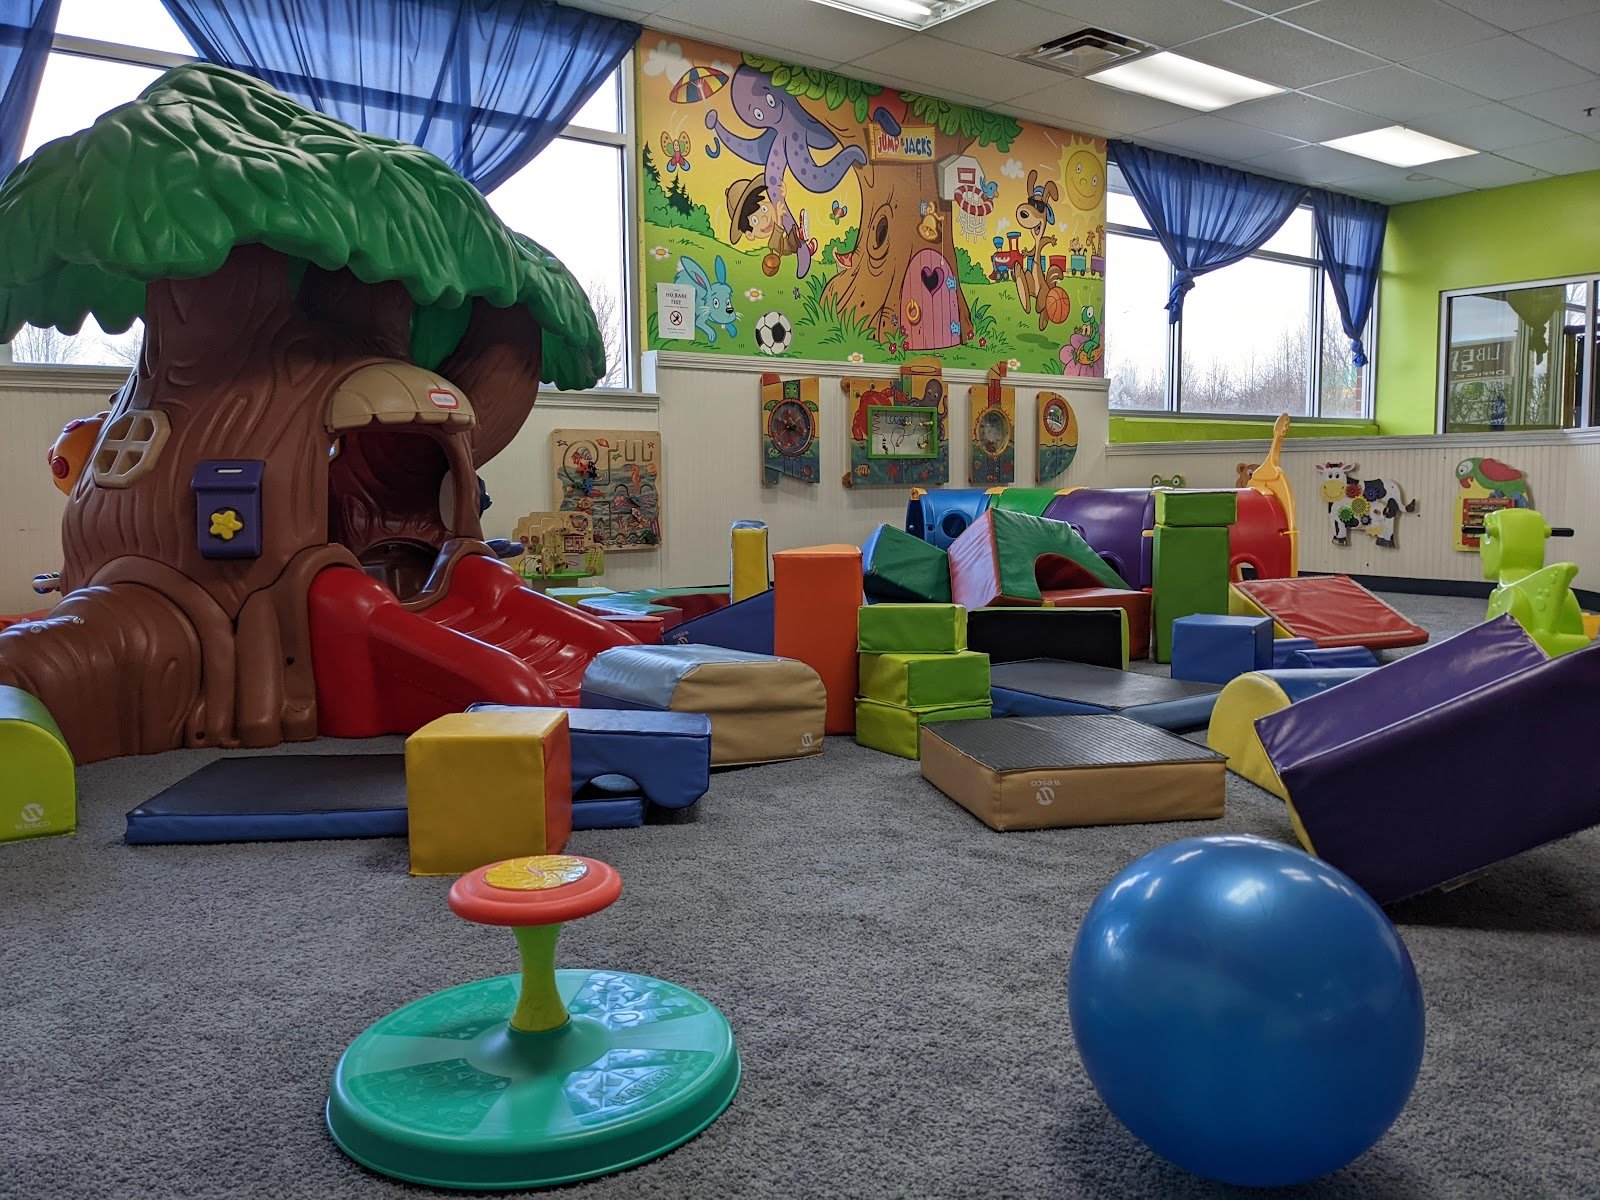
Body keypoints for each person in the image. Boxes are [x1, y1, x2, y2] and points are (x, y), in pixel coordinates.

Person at [726, 174, 816, 278]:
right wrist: (778, 220)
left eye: (764, 209)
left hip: (787, 240)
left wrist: (781, 195)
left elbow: (780, 204)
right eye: (755, 220)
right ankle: (801, 236)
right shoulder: (772, 244)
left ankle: (805, 243)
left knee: (793, 235)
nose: (765, 218)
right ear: (750, 234)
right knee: (792, 238)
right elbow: (776, 236)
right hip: (786, 245)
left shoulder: (775, 209)